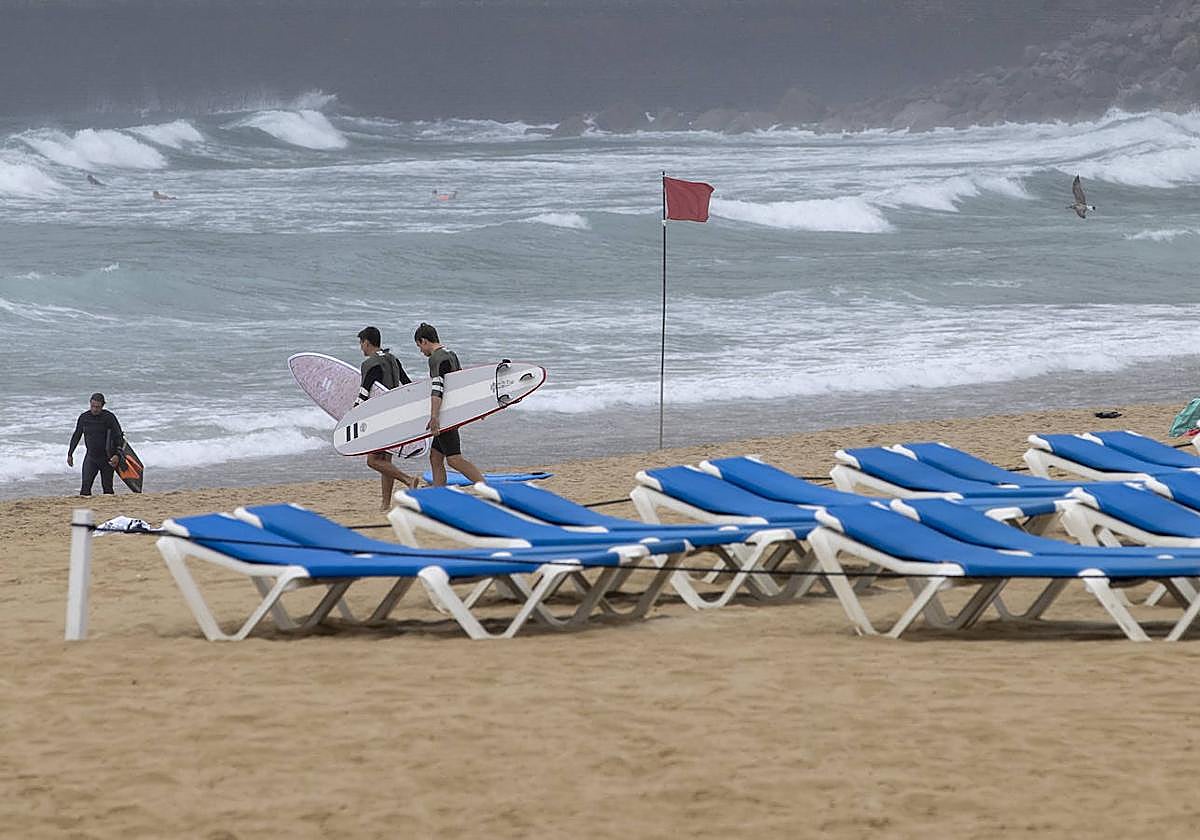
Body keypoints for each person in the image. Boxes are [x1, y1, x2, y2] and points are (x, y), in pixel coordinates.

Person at [355, 326, 420, 509]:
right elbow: (407, 384)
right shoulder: (392, 359)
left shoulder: (371, 364)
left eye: (361, 344)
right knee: (385, 461)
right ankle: (385, 504)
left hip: (380, 418)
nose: (361, 348)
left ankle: (408, 480)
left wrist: (353, 413)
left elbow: (364, 391)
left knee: (373, 461)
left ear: (367, 342)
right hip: (395, 416)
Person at [414, 322, 485, 486]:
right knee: (435, 456)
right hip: (453, 411)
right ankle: (440, 492)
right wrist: (478, 407)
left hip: (445, 414)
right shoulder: (451, 354)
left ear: (424, 341)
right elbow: (462, 383)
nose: (421, 351)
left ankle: (486, 487)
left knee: (454, 459)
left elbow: (437, 388)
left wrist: (434, 416)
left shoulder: (435, 358)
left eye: (419, 346)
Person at [67, 392, 124, 496]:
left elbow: (118, 437)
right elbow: (77, 435)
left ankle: (108, 510)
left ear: (102, 406)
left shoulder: (109, 417)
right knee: (85, 488)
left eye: (97, 407)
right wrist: (70, 454)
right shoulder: (84, 417)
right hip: (91, 457)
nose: (94, 409)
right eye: (92, 406)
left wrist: (117, 455)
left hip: (107, 459)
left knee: (107, 488)